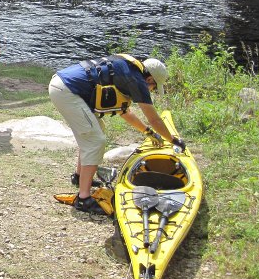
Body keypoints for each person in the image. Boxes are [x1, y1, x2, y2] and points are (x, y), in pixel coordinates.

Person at [48, 54, 186, 215]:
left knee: (96, 130)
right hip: (67, 90)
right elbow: (154, 119)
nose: (152, 90)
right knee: (95, 140)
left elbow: (125, 112)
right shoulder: (136, 80)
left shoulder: (127, 70)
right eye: (154, 87)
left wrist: (148, 132)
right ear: (150, 80)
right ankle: (84, 199)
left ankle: (79, 177)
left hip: (63, 85)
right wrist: (173, 140)